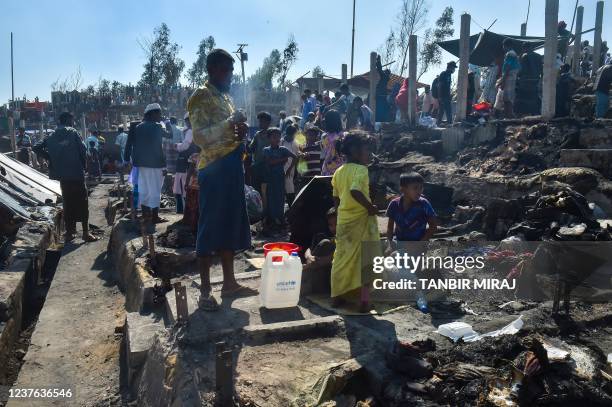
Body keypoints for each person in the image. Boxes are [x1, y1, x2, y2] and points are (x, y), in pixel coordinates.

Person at [187, 48, 253, 310]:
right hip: (213, 167)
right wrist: (229, 122)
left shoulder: (225, 97)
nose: (230, 76)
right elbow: (201, 137)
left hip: (232, 164)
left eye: (232, 72)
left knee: (230, 224)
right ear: (213, 69)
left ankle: (229, 283)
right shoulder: (200, 96)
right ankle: (205, 292)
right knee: (210, 226)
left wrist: (241, 130)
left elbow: (231, 130)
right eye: (227, 71)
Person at [330, 132, 380, 312]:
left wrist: (339, 214)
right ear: (355, 151)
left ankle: (336, 296)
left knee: (341, 259)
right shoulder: (361, 170)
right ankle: (364, 301)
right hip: (362, 221)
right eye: (367, 150)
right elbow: (355, 191)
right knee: (366, 261)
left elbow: (336, 198)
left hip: (344, 221)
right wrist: (370, 207)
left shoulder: (338, 172)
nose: (370, 154)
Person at [33, 112, 98, 243]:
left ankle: (69, 233)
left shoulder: (51, 135)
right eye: (72, 120)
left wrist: (50, 158)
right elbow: (83, 150)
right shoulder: (73, 132)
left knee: (68, 203)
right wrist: (84, 166)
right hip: (77, 174)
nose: (73, 123)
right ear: (68, 120)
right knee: (82, 202)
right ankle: (85, 233)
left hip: (63, 176)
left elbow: (36, 147)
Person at [124, 103, 167, 233]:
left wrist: (126, 160)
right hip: (156, 164)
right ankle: (154, 216)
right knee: (155, 189)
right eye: (159, 113)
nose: (161, 116)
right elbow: (168, 137)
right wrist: (167, 123)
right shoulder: (158, 127)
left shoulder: (136, 127)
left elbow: (128, 144)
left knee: (143, 188)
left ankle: (145, 215)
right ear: (152, 114)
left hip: (140, 164)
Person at [385, 172, 438, 246]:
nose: (419, 191)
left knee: (394, 256)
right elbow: (390, 228)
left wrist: (420, 244)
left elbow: (433, 226)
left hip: (418, 244)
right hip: (399, 242)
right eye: (415, 188)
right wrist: (389, 246)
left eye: (421, 188)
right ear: (403, 189)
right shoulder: (394, 204)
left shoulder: (424, 204)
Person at [263, 127, 297, 233]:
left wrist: (289, 170)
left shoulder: (283, 149)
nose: (277, 139)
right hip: (270, 177)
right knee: (271, 198)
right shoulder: (266, 150)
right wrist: (283, 159)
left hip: (280, 177)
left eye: (278, 136)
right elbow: (270, 162)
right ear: (269, 138)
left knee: (280, 198)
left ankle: (280, 220)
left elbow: (295, 157)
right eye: (274, 137)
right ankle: (272, 220)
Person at [174, 113, 198, 214]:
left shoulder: (190, 132)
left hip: (187, 163)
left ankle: (183, 211)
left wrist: (177, 146)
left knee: (183, 187)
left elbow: (185, 146)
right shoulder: (196, 131)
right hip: (190, 162)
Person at [248, 111, 272, 194]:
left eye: (262, 121)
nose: (260, 123)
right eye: (260, 121)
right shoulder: (257, 135)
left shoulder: (273, 134)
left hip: (268, 167)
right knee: (256, 190)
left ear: (268, 122)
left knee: (267, 191)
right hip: (257, 166)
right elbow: (251, 148)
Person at [498, 39, 521, 118]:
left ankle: (509, 115)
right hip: (512, 76)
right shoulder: (513, 54)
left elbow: (507, 67)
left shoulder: (510, 54)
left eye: (503, 46)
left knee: (507, 98)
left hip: (509, 77)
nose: (503, 48)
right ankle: (508, 115)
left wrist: (503, 80)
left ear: (506, 45)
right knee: (508, 97)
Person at [320, 110, 345, 176]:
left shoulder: (324, 136)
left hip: (328, 168)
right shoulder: (344, 135)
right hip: (341, 168)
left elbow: (324, 153)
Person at [281, 124, 300, 205]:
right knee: (281, 190)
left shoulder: (296, 144)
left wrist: (292, 169)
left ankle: (291, 209)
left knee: (290, 190)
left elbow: (297, 158)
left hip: (291, 170)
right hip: (280, 169)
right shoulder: (281, 141)